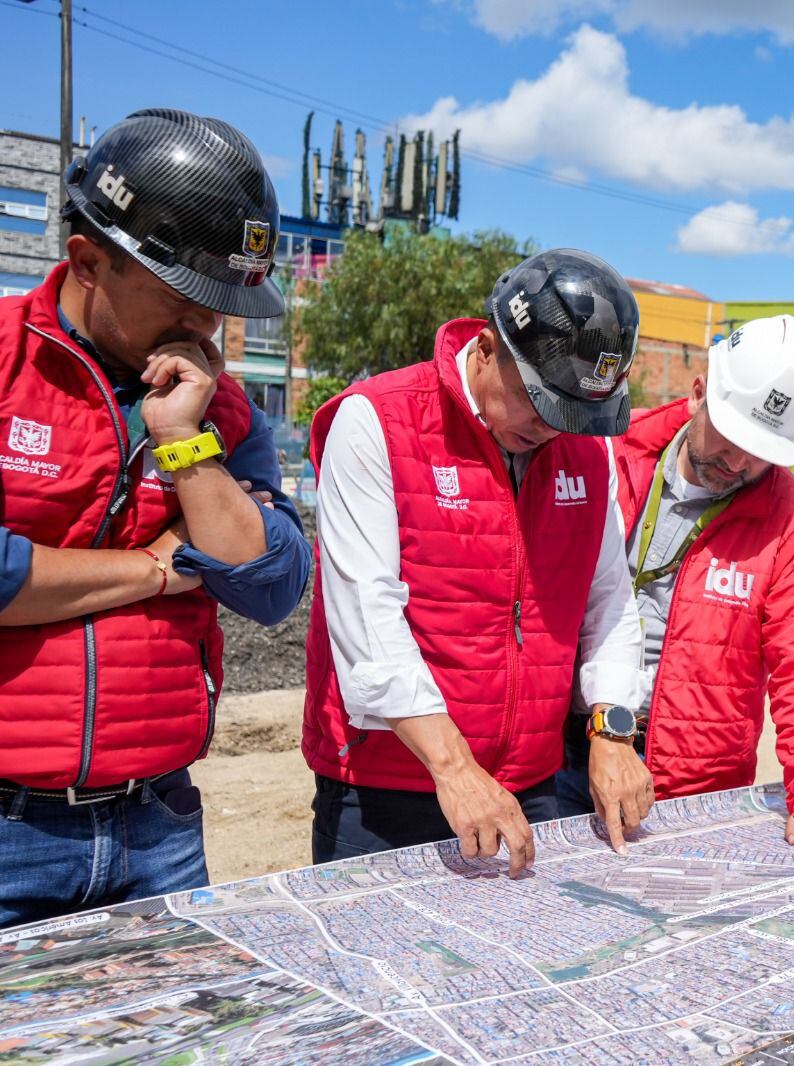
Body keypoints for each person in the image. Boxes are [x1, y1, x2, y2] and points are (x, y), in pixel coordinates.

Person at [0, 109, 311, 927]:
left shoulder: (219, 408)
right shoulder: (4, 362)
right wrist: (154, 568)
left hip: (159, 824)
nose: (206, 328)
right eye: (184, 299)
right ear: (87, 261)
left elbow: (272, 586)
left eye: (221, 306)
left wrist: (185, 446)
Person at [302, 249, 645, 872]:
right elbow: (365, 616)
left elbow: (610, 604)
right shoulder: (377, 420)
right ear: (487, 349)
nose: (551, 428)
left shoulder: (587, 454)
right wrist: (454, 767)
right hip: (386, 790)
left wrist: (612, 729)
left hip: (530, 783)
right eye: (539, 402)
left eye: (572, 413)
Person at [555, 314, 794, 852]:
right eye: (732, 436)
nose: (737, 462)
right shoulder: (607, 452)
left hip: (685, 785)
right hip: (562, 753)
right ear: (698, 394)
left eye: (761, 451)